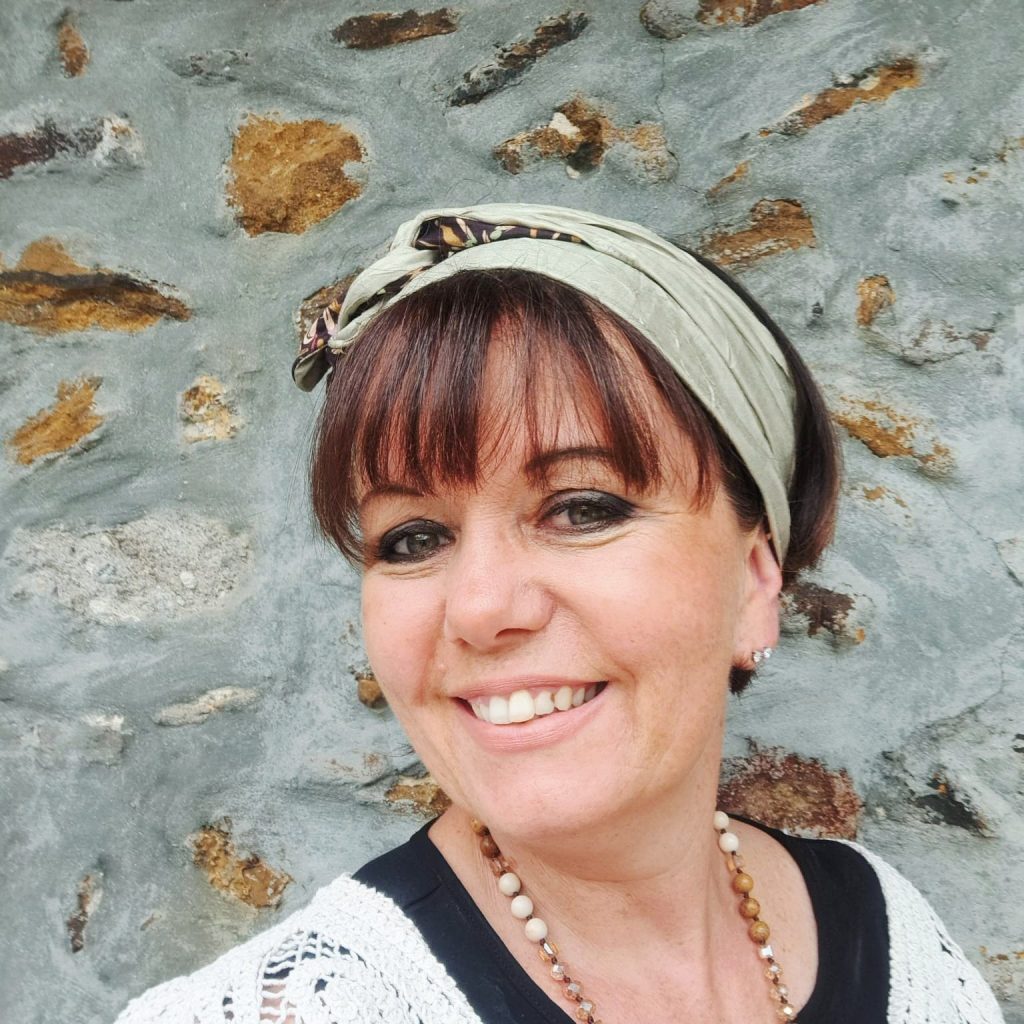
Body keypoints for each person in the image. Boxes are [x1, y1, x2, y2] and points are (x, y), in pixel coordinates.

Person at [115, 204, 1005, 1023]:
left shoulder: (894, 940)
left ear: (755, 582)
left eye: (582, 508)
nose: (480, 608)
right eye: (414, 538)